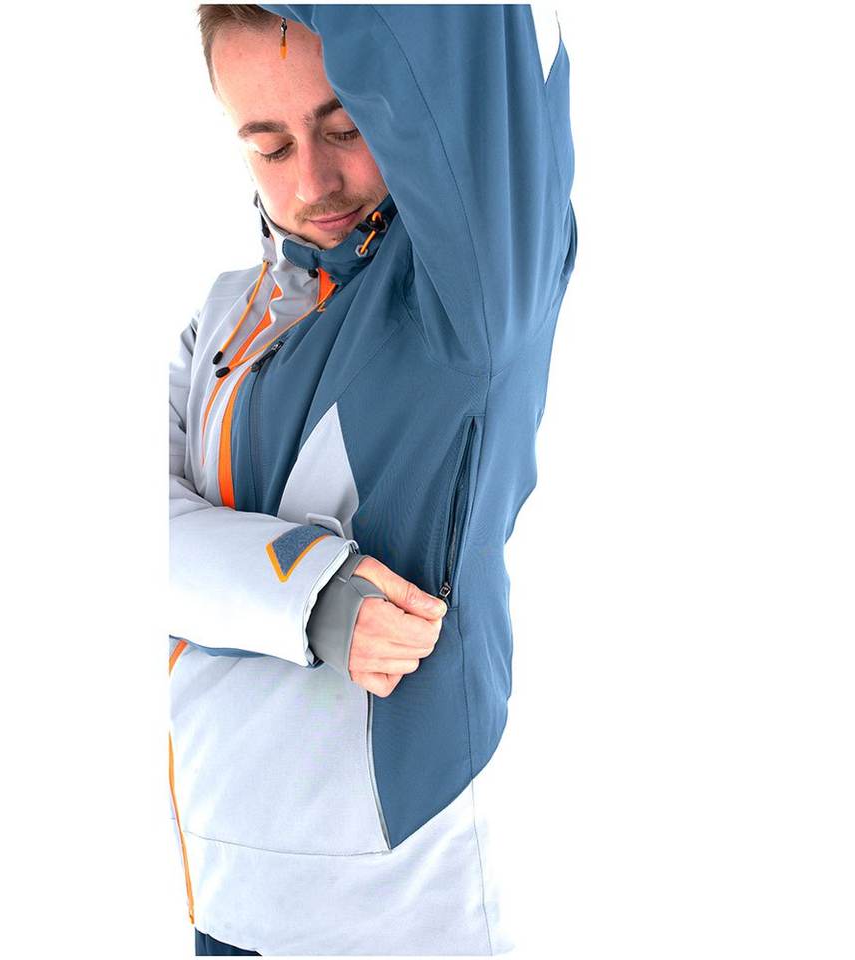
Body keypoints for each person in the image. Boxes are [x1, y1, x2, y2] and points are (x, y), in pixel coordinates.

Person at [169, 4, 577, 954]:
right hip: (220, 885)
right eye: (269, 146)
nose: (312, 182)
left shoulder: (470, 300)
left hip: (395, 903)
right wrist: (309, 592)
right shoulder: (223, 316)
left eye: (346, 127)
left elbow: (460, 37)